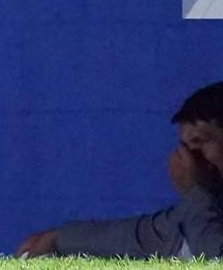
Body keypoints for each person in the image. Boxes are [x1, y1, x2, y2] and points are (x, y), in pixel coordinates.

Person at [16, 81, 223, 259]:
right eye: (184, 146)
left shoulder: (199, 206)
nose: (187, 157)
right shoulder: (200, 210)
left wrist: (194, 194)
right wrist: (58, 238)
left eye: (199, 141)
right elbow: (138, 236)